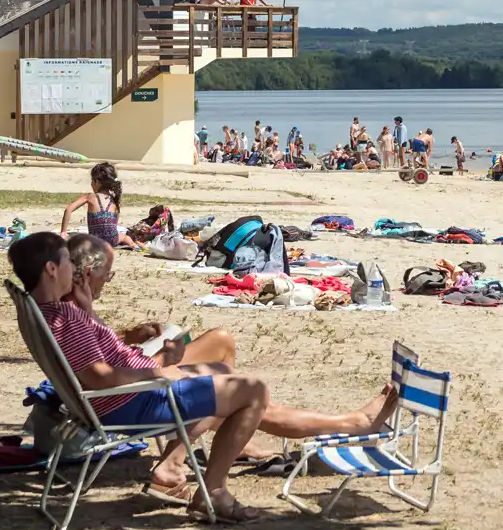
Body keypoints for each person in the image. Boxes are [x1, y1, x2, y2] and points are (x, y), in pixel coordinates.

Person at [55, 234, 397, 507]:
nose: (108, 281)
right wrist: (162, 367)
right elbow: (102, 375)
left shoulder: (66, 310)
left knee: (223, 363)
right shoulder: (72, 318)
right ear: (86, 274)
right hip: (134, 398)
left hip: (125, 393)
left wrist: (130, 337)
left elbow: (99, 355)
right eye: (107, 275)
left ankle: (211, 443)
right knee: (247, 392)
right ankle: (352, 423)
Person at [59, 162, 136, 248]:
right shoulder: (114, 200)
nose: (91, 184)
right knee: (125, 237)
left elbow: (68, 209)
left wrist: (63, 232)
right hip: (112, 241)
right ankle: (133, 244)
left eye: (92, 181)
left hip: (95, 240)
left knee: (75, 237)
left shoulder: (90, 197)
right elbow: (115, 224)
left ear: (97, 182)